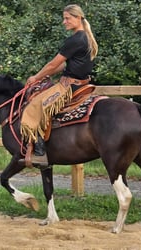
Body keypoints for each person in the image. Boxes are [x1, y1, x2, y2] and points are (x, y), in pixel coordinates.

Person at [20, 4, 98, 168]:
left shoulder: (75, 39)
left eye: (68, 18)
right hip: (82, 84)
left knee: (35, 105)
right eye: (64, 18)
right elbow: (67, 65)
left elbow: (52, 64)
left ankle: (40, 152)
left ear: (78, 18)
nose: (64, 22)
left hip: (69, 87)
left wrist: (36, 77)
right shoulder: (86, 37)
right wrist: (49, 74)